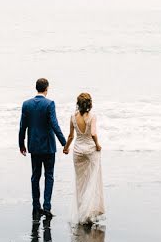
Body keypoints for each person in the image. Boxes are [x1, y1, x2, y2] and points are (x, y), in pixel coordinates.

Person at [19, 78, 67, 220]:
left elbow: (23, 126)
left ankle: (35, 207)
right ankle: (46, 207)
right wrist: (64, 143)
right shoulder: (49, 104)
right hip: (48, 146)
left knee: (35, 176)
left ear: (36, 88)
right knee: (49, 176)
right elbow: (54, 125)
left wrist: (21, 144)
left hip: (34, 146)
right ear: (46, 89)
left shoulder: (26, 104)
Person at [63, 92, 105, 224]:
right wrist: (98, 145)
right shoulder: (92, 117)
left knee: (80, 182)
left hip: (78, 151)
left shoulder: (73, 117)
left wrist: (66, 147)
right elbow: (93, 133)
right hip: (90, 151)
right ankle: (89, 212)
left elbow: (71, 136)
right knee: (92, 181)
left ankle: (82, 211)